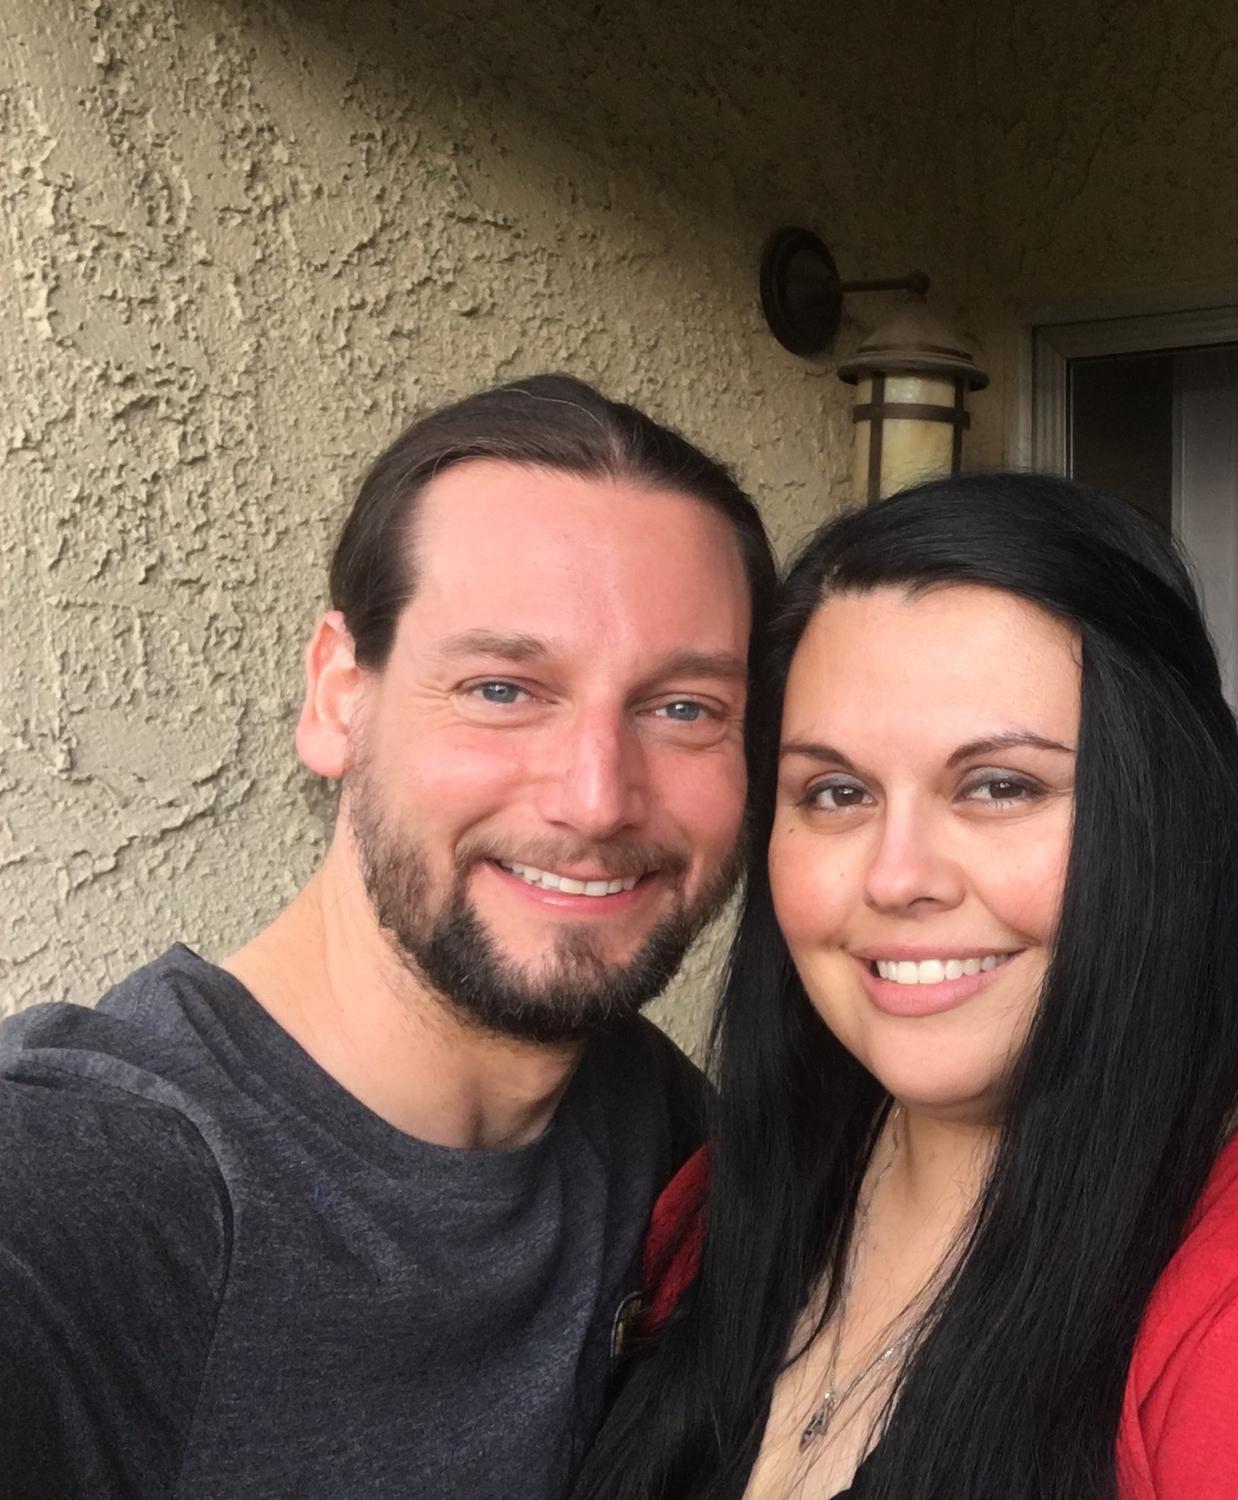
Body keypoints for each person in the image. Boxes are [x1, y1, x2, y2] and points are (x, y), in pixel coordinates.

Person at [573, 472, 1238, 1500]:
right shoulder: (733, 1195)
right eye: (837, 792)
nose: (896, 878)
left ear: (1163, 817)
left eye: (999, 786)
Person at [0, 374, 776, 1499]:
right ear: (337, 696)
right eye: (503, 688)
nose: (598, 799)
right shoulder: (80, 1191)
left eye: (684, 709)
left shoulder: (657, 1131)